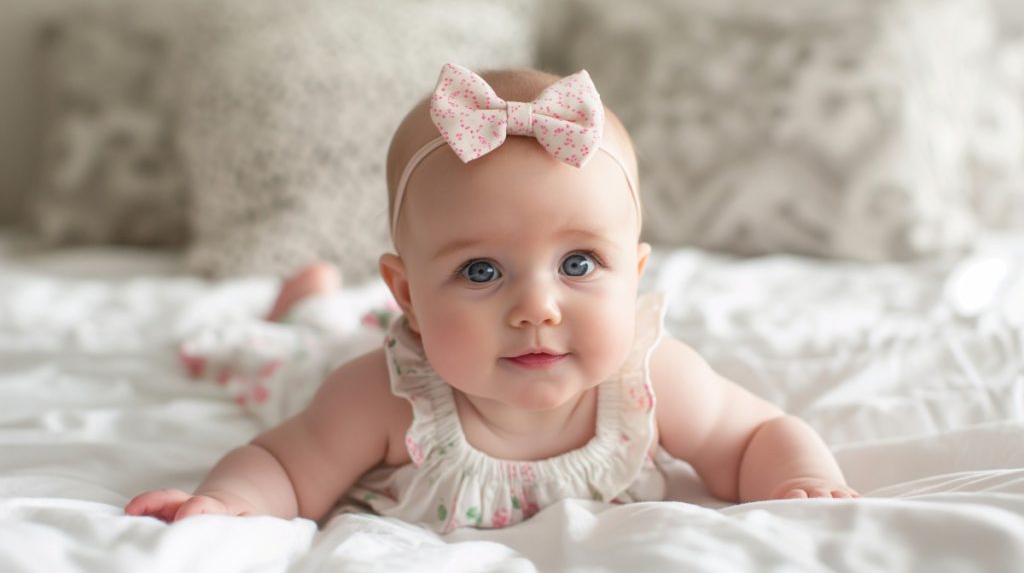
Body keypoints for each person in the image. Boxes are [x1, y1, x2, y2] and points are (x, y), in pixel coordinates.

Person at [125, 63, 858, 532]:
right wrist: (224, 507)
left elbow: (757, 436)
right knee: (280, 357)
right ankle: (305, 307)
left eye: (578, 262)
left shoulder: (653, 381)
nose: (537, 308)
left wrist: (803, 480)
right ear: (408, 295)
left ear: (635, 276)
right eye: (480, 271)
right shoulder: (376, 400)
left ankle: (325, 300)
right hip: (324, 366)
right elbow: (284, 467)